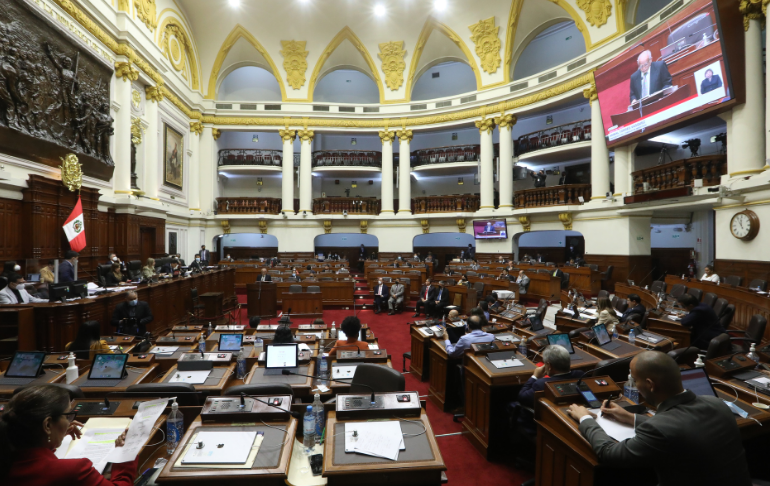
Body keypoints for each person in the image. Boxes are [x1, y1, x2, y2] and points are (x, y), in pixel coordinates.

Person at [566, 351, 751, 486]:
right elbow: (683, 430)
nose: (635, 385)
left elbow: (610, 453)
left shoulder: (660, 428)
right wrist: (631, 418)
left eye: (635, 380)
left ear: (650, 385)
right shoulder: (717, 404)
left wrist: (585, 419)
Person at [0, 385, 136, 486]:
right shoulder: (75, 470)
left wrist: (52, 440)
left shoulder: (7, 461)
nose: (69, 422)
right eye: (67, 416)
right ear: (47, 425)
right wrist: (124, 454)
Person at [516, 345, 584, 434]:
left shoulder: (542, 384)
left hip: (545, 425)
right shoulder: (581, 375)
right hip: (573, 419)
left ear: (549, 366)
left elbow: (522, 397)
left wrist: (534, 376)